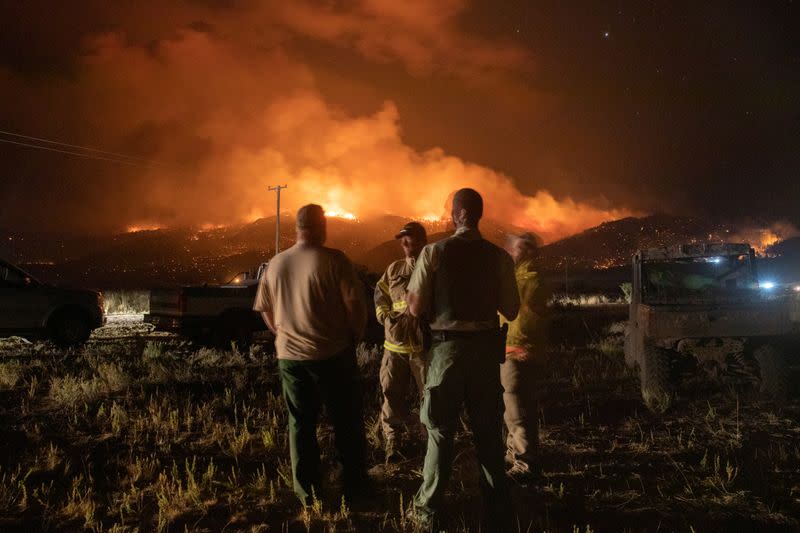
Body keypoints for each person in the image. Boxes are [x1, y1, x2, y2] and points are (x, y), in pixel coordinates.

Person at [406, 188, 520, 532]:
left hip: (446, 352)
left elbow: (414, 306)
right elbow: (511, 310)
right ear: (479, 215)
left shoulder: (434, 253)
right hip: (485, 353)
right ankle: (497, 509)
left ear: (456, 215)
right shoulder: (498, 257)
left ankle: (427, 510)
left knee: (440, 432)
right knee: (488, 432)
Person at [253, 204, 369, 505]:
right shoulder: (335, 261)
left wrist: (281, 332)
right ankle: (354, 489)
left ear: (296, 228)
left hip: (290, 358)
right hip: (332, 354)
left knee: (300, 424)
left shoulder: (276, 263)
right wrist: (354, 336)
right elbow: (355, 305)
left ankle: (307, 493)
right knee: (345, 421)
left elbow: (264, 307)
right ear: (322, 226)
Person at [374, 222, 428, 461]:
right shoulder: (393, 269)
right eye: (402, 240)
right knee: (391, 397)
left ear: (422, 241)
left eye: (410, 239)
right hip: (394, 348)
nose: (405, 244)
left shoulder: (431, 269)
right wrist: (384, 316)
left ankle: (432, 445)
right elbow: (380, 294)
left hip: (424, 350)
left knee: (431, 399)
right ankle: (392, 445)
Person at [501, 232, 550, 482]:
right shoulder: (521, 275)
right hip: (511, 350)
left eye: (518, 247)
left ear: (529, 250)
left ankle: (525, 464)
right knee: (513, 408)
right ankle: (514, 456)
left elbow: (524, 315)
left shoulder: (530, 278)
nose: (512, 251)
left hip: (518, 352)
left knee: (518, 408)